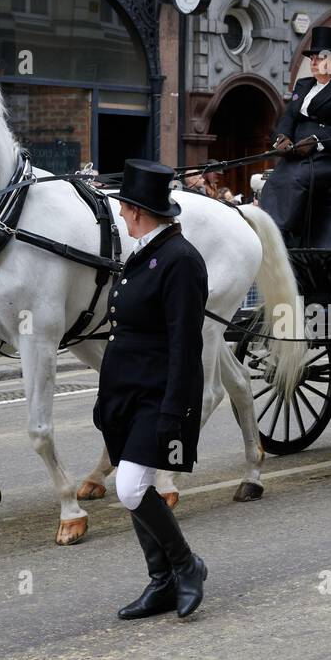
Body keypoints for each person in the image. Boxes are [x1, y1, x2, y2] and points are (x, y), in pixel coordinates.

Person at [98, 159, 209, 620]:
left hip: (158, 394)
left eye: (123, 208)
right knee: (134, 483)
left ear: (137, 211)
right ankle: (161, 580)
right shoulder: (145, 250)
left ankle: (187, 565)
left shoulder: (181, 260)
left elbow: (185, 343)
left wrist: (173, 411)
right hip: (126, 392)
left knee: (128, 487)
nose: (120, 216)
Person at [261, 25, 331, 245]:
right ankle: (266, 229)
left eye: (320, 58)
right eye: (312, 58)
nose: (313, 62)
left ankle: (283, 235)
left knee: (297, 178)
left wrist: (317, 141)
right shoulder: (304, 85)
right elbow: (289, 117)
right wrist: (282, 138)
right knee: (274, 179)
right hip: (299, 152)